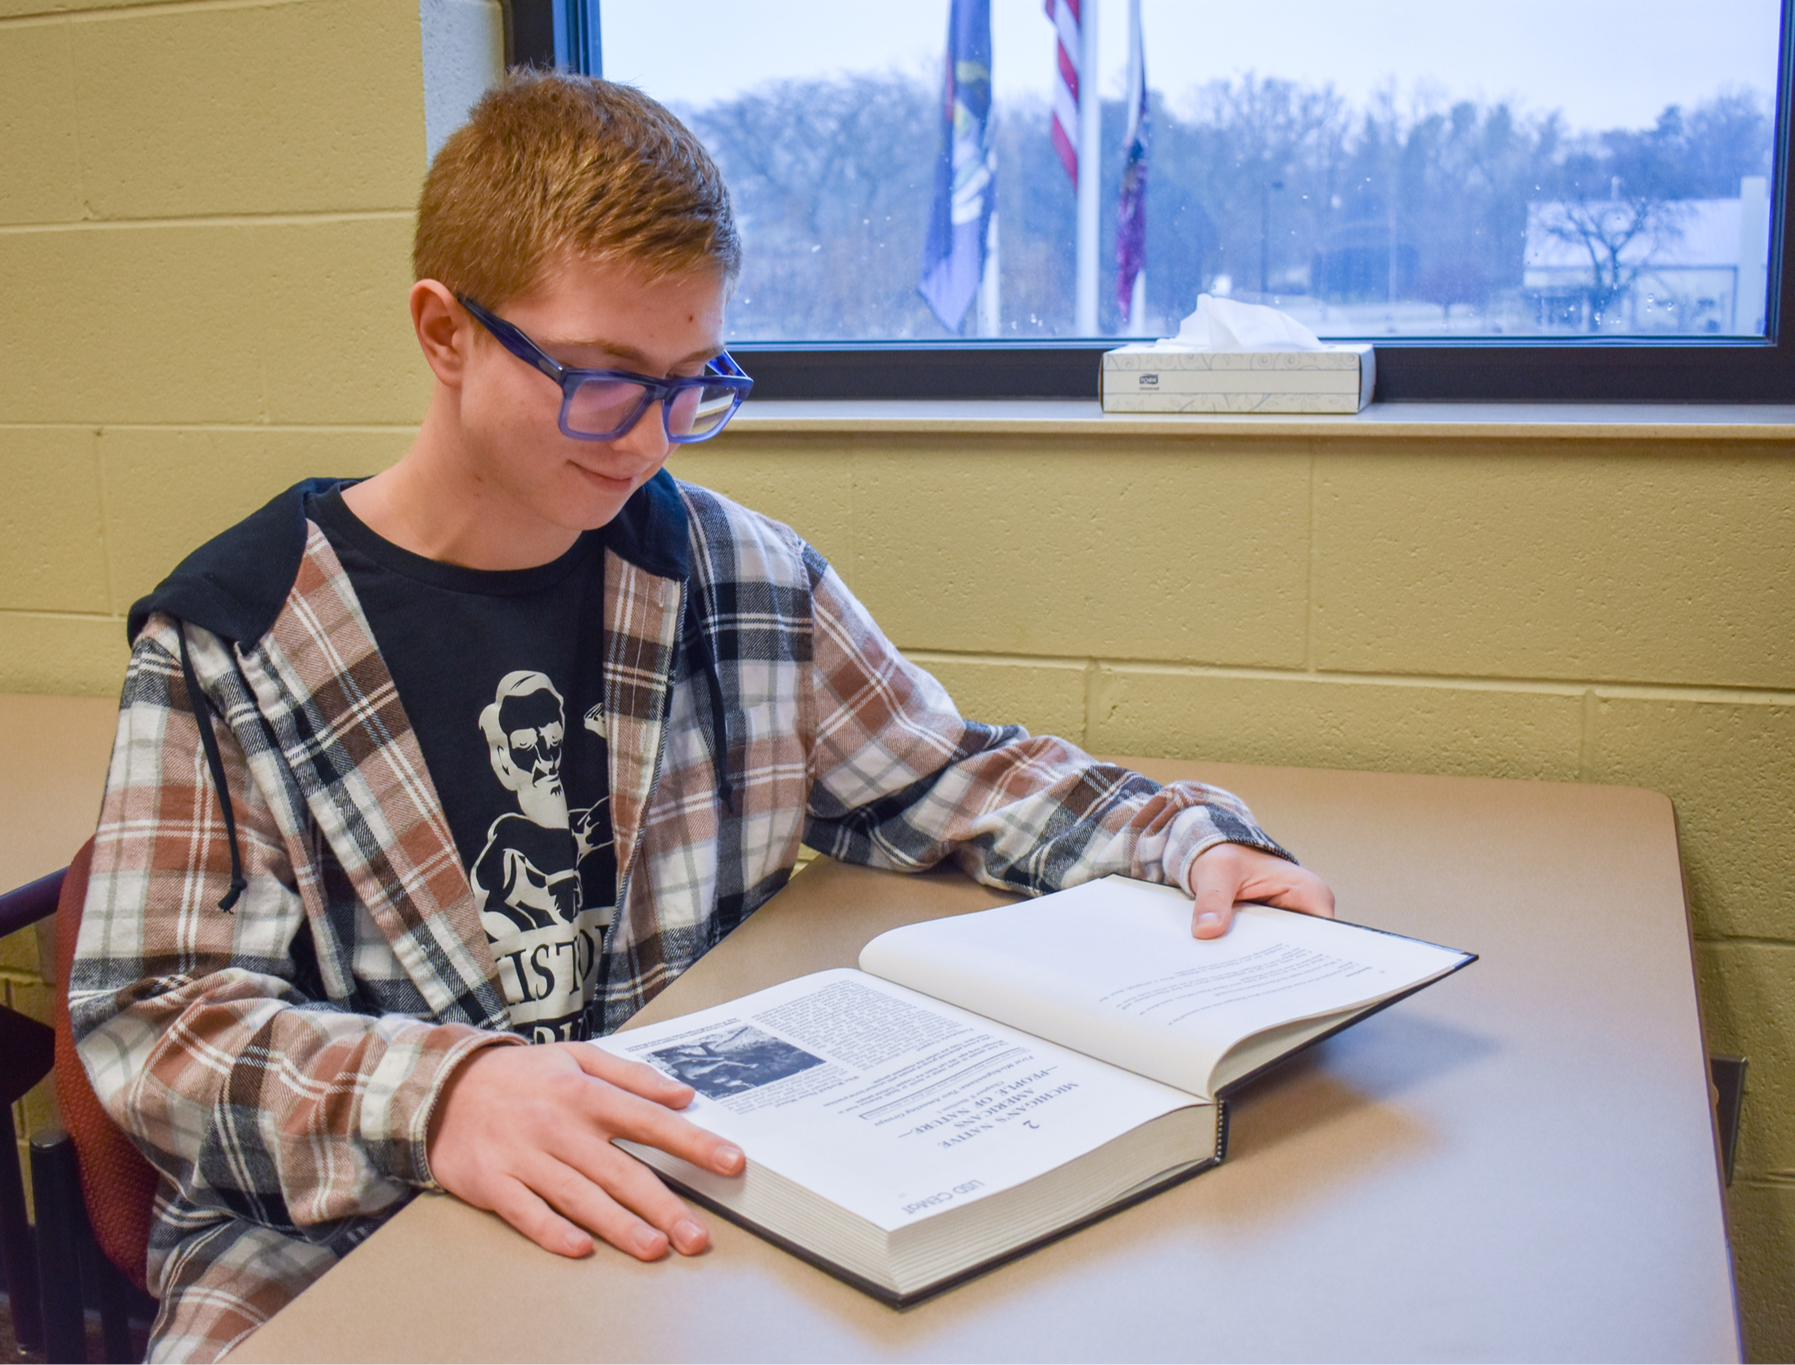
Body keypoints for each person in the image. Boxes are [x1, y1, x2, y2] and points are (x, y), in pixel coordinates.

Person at [71, 70, 1334, 1364]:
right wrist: (443, 1094)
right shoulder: (238, 633)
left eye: (692, 382)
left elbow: (938, 777)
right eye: (606, 379)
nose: (648, 441)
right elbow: (155, 1019)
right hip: (349, 1216)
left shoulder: (731, 574)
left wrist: (1184, 839)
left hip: (692, 1179)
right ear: (444, 334)